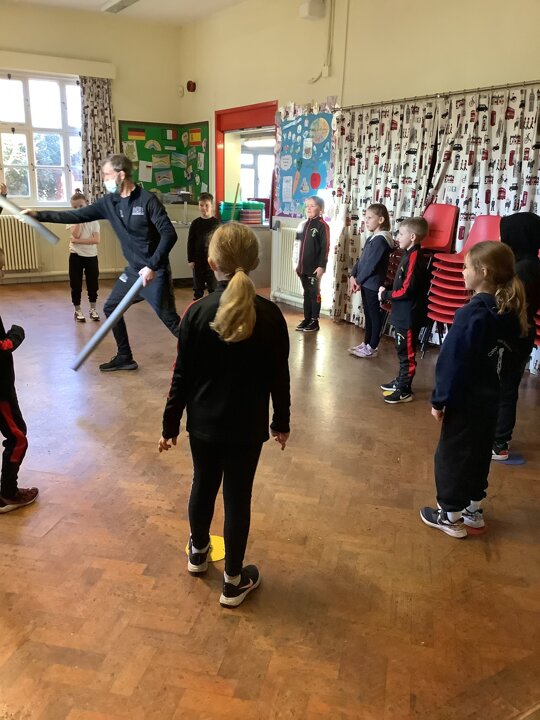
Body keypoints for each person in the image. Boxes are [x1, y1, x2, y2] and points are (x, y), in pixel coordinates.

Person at [158, 222, 290, 608]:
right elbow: (279, 377)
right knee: (237, 497)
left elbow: (181, 376)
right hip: (247, 428)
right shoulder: (271, 315)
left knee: (203, 483)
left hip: (203, 425)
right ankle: (233, 581)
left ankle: (198, 553)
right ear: (255, 262)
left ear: (211, 263)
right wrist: (280, 422)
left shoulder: (196, 312)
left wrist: (170, 425)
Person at [27, 154, 180, 372]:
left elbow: (169, 234)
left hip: (155, 273)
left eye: (107, 175)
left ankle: (208, 354)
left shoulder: (147, 200)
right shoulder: (109, 203)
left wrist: (153, 265)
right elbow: (76, 215)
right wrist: (38, 215)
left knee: (171, 320)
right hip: (133, 271)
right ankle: (125, 357)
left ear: (121, 175)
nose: (104, 179)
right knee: (111, 307)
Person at [420, 242, 527, 538]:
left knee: (452, 456)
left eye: (466, 267)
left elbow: (452, 362)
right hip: (491, 402)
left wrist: (439, 400)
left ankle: (449, 515)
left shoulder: (471, 314)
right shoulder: (511, 311)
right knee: (479, 454)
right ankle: (473, 510)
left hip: (464, 402)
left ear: (484, 272)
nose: (462, 272)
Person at [492, 212, 540, 460]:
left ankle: (499, 442)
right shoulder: (524, 264)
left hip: (512, 338)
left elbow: (508, 307)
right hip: (517, 334)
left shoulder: (525, 269)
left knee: (505, 388)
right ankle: (496, 436)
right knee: (502, 386)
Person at [0, 247, 39, 513]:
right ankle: (7, 494)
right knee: (18, 438)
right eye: (0, 268)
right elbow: (3, 346)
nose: (3, 273)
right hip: (0, 389)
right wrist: (17, 334)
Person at [378, 217, 429, 403]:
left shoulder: (415, 257)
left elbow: (407, 290)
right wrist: (388, 287)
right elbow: (401, 281)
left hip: (409, 315)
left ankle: (404, 389)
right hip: (401, 313)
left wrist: (385, 295)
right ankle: (401, 380)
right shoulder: (407, 254)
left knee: (407, 353)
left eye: (400, 234)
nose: (397, 237)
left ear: (412, 237)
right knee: (401, 350)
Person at [348, 203, 394, 358]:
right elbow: (362, 260)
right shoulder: (371, 238)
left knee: (374, 315)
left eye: (369, 218)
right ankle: (366, 343)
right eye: (365, 218)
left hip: (373, 284)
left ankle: (372, 346)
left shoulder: (381, 240)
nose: (366, 221)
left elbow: (371, 265)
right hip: (365, 283)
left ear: (381, 220)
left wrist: (358, 280)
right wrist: (353, 275)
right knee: (368, 314)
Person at [294, 196, 330, 333]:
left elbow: (325, 247)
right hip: (302, 267)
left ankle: (315, 321)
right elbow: (297, 246)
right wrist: (296, 264)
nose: (309, 208)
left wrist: (321, 266)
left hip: (314, 268)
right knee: (306, 293)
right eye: (307, 205)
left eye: (313, 206)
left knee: (314, 293)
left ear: (320, 209)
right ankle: (307, 318)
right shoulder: (303, 225)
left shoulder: (322, 226)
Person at [67, 189, 100, 323]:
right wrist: (79, 219)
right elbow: (75, 234)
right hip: (76, 255)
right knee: (76, 284)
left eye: (81, 206)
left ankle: (93, 309)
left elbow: (96, 240)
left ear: (86, 203)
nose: (78, 209)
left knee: (93, 284)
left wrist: (77, 241)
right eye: (75, 207)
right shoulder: (71, 219)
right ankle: (78, 310)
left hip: (91, 256)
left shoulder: (94, 220)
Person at [187, 192, 220, 300]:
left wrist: (219, 259)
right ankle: (197, 306)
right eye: (201, 205)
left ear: (211, 206)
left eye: (206, 205)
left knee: (213, 288)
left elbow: (220, 243)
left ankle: (212, 306)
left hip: (212, 260)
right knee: (198, 288)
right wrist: (190, 260)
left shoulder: (217, 223)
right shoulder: (195, 223)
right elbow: (190, 242)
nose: (204, 208)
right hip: (198, 260)